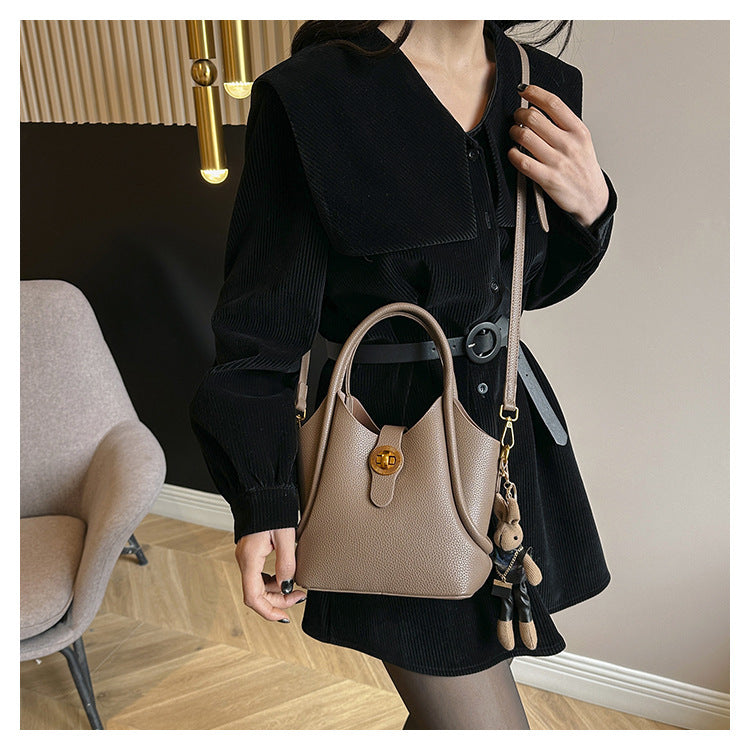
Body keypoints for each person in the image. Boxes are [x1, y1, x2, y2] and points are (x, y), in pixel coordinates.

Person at [189, 19, 618, 730]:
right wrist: (261, 492)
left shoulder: (541, 84)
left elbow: (524, 287)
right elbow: (263, 325)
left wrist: (590, 207)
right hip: (388, 471)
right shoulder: (314, 95)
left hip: (508, 451)